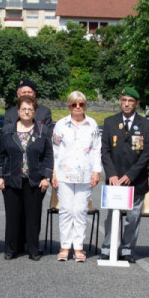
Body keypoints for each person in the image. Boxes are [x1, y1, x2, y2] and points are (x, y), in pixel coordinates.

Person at [100, 86, 149, 263]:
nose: (127, 104)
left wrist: (131, 174)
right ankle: (108, 248)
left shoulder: (147, 125)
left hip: (135, 180)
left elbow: (147, 153)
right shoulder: (109, 122)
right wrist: (111, 174)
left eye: (131, 101)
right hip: (114, 179)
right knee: (111, 217)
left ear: (137, 103)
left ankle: (126, 249)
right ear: (120, 101)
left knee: (132, 218)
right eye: (124, 100)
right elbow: (105, 150)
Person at [0, 95, 53, 260]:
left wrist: (46, 177)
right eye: (23, 109)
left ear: (35, 112)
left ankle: (33, 249)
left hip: (34, 180)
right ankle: (11, 249)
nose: (26, 112)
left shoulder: (43, 131)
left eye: (30, 109)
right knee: (13, 216)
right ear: (18, 111)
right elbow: (1, 155)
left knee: (32, 217)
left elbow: (48, 155)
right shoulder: (7, 130)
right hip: (11, 179)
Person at [50, 91, 102, 262]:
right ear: (69, 106)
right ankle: (65, 246)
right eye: (74, 104)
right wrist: (54, 172)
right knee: (66, 210)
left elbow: (96, 149)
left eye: (81, 104)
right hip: (64, 174)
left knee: (80, 210)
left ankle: (78, 247)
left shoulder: (92, 124)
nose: (78, 107)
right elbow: (55, 149)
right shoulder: (61, 124)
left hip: (85, 175)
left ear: (85, 105)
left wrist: (96, 171)